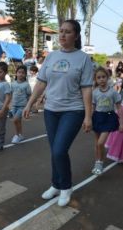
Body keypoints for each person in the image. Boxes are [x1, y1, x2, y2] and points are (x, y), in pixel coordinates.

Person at [23, 20, 93, 207]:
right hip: (51, 110)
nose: (62, 35)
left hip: (73, 110)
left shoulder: (83, 59)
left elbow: (87, 89)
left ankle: (66, 187)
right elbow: (41, 83)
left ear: (76, 36)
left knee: (60, 150)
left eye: (67, 32)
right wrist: (29, 103)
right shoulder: (51, 56)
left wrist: (88, 115)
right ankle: (55, 184)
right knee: (55, 151)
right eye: (60, 31)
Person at [91, 67, 123, 175]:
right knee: (97, 144)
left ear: (108, 78)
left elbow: (119, 107)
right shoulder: (95, 92)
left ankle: (100, 162)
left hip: (109, 117)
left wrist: (122, 123)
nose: (101, 79)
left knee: (101, 143)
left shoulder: (113, 92)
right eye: (98, 77)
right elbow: (93, 107)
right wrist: (88, 120)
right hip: (97, 117)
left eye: (103, 77)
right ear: (95, 80)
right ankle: (97, 162)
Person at [10, 65, 31, 144]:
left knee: (15, 120)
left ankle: (16, 135)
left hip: (22, 106)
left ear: (25, 74)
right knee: (18, 121)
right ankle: (21, 135)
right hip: (14, 105)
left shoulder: (26, 84)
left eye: (23, 73)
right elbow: (11, 94)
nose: (21, 74)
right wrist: (10, 105)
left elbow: (29, 95)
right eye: (19, 72)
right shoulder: (13, 83)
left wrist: (29, 106)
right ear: (16, 73)